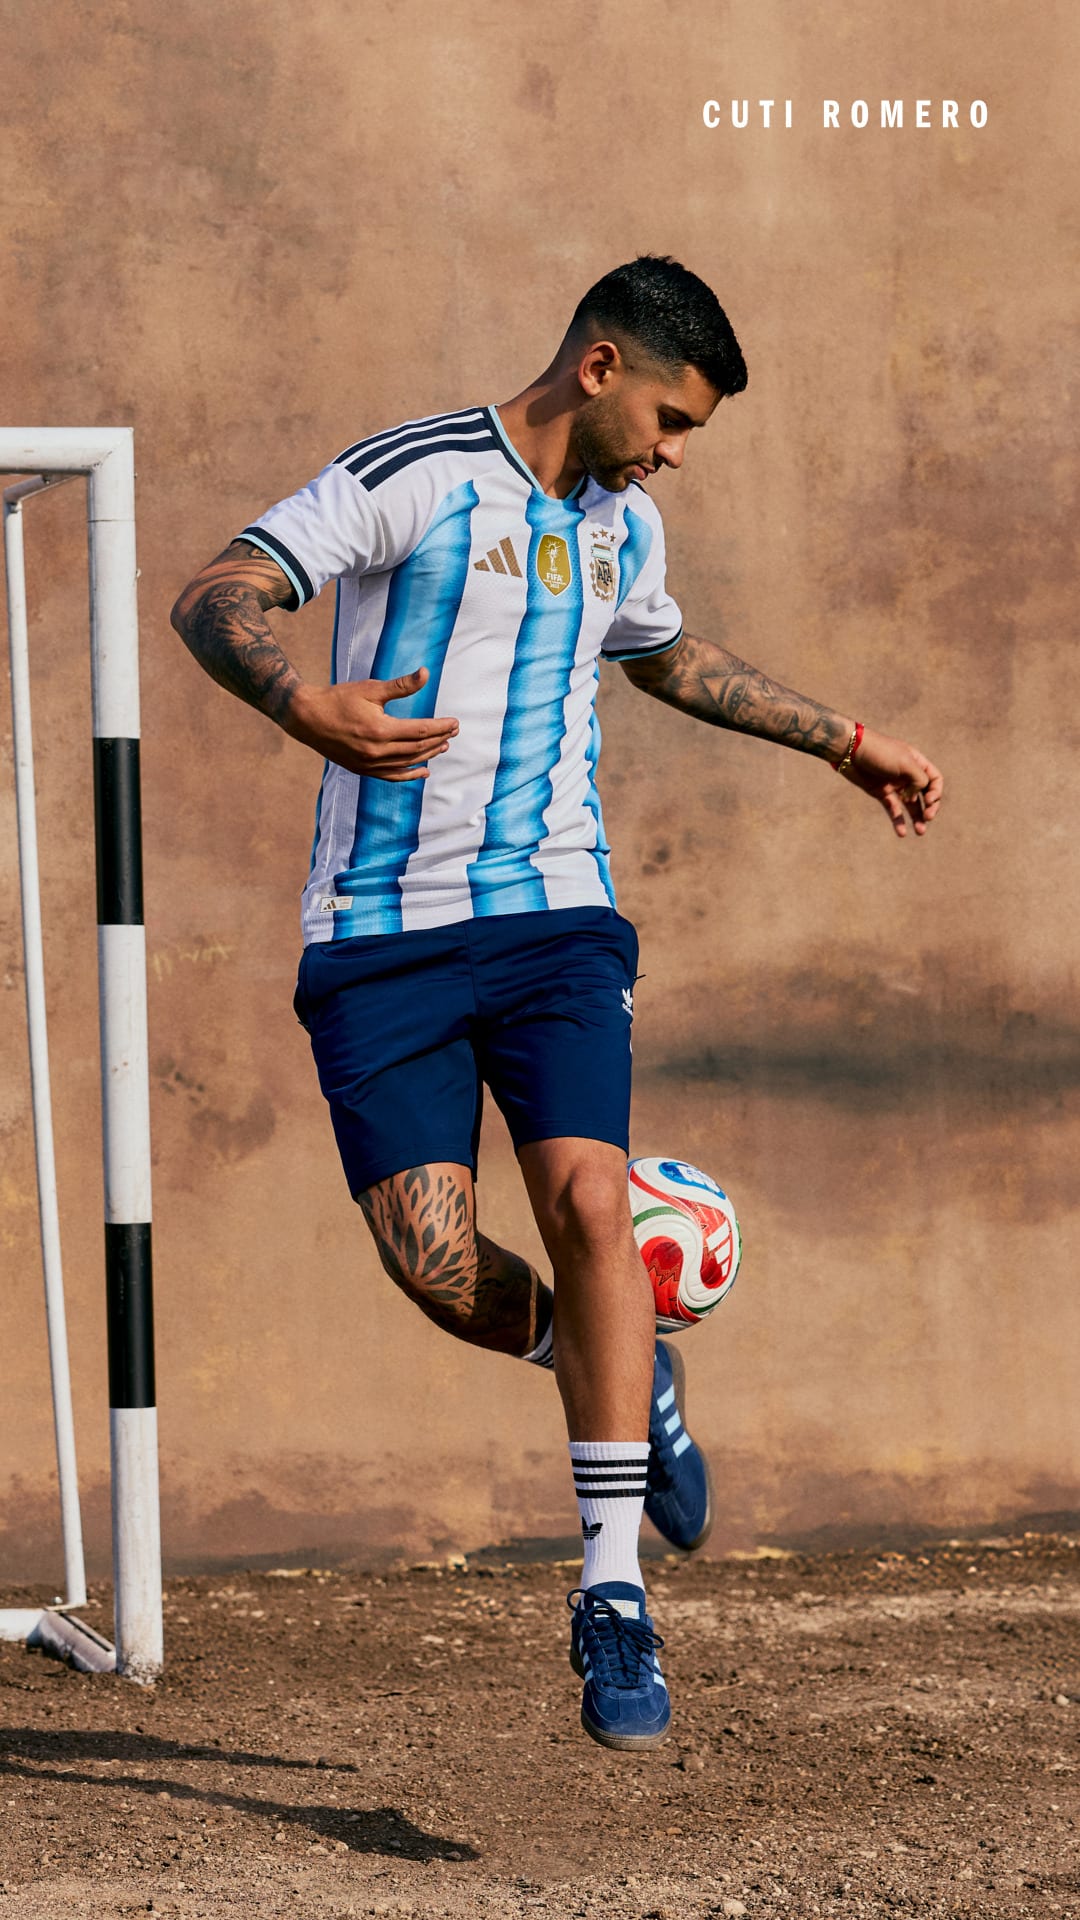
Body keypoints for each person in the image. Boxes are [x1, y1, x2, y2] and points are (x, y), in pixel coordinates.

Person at [171, 255, 943, 1752]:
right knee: (438, 1266)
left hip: (554, 920)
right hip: (381, 934)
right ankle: (616, 1372)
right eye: (669, 417)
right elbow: (221, 590)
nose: (670, 452)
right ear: (599, 367)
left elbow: (666, 655)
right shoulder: (416, 475)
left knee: (595, 1201)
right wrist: (299, 701)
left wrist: (842, 738)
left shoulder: (622, 526)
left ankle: (611, 1594)